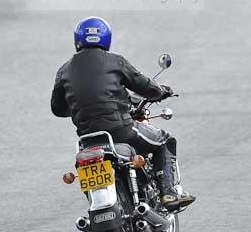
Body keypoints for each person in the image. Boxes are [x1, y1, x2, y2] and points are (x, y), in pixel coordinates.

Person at [51, 16, 196, 211]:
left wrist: (81, 105)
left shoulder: (64, 70)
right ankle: (168, 193)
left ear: (77, 40)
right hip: (121, 129)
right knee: (164, 140)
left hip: (87, 139)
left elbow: (57, 108)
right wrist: (160, 91)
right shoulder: (115, 61)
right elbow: (143, 84)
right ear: (106, 39)